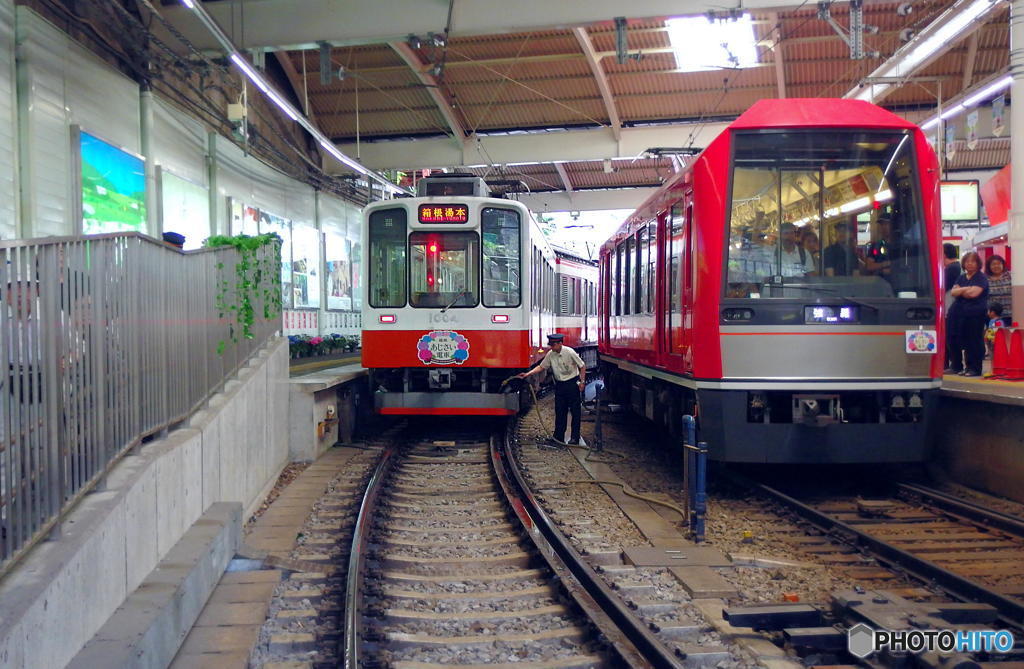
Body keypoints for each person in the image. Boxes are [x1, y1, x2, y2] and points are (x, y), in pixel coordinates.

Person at [517, 333, 586, 445]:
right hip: (560, 385)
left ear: (560, 343)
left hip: (572, 384)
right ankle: (558, 437)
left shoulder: (569, 352)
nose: (551, 347)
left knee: (575, 412)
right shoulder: (551, 354)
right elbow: (542, 367)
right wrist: (527, 374)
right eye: (551, 345)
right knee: (560, 412)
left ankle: (575, 438)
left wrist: (582, 382)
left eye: (553, 345)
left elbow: (582, 366)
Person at [946, 251, 989, 377]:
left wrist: (961, 290)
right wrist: (966, 289)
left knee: (973, 341)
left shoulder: (981, 278)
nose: (969, 264)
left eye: (973, 261)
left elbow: (973, 294)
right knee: (953, 338)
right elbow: (953, 293)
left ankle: (974, 368)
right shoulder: (962, 277)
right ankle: (957, 366)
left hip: (975, 314)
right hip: (958, 313)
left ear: (978, 264)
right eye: (967, 261)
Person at [985, 254, 1012, 324]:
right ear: (989, 266)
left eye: (999, 263)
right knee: (993, 335)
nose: (996, 266)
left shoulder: (1010, 276)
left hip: (1010, 315)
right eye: (993, 264)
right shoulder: (985, 279)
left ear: (1003, 264)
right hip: (993, 317)